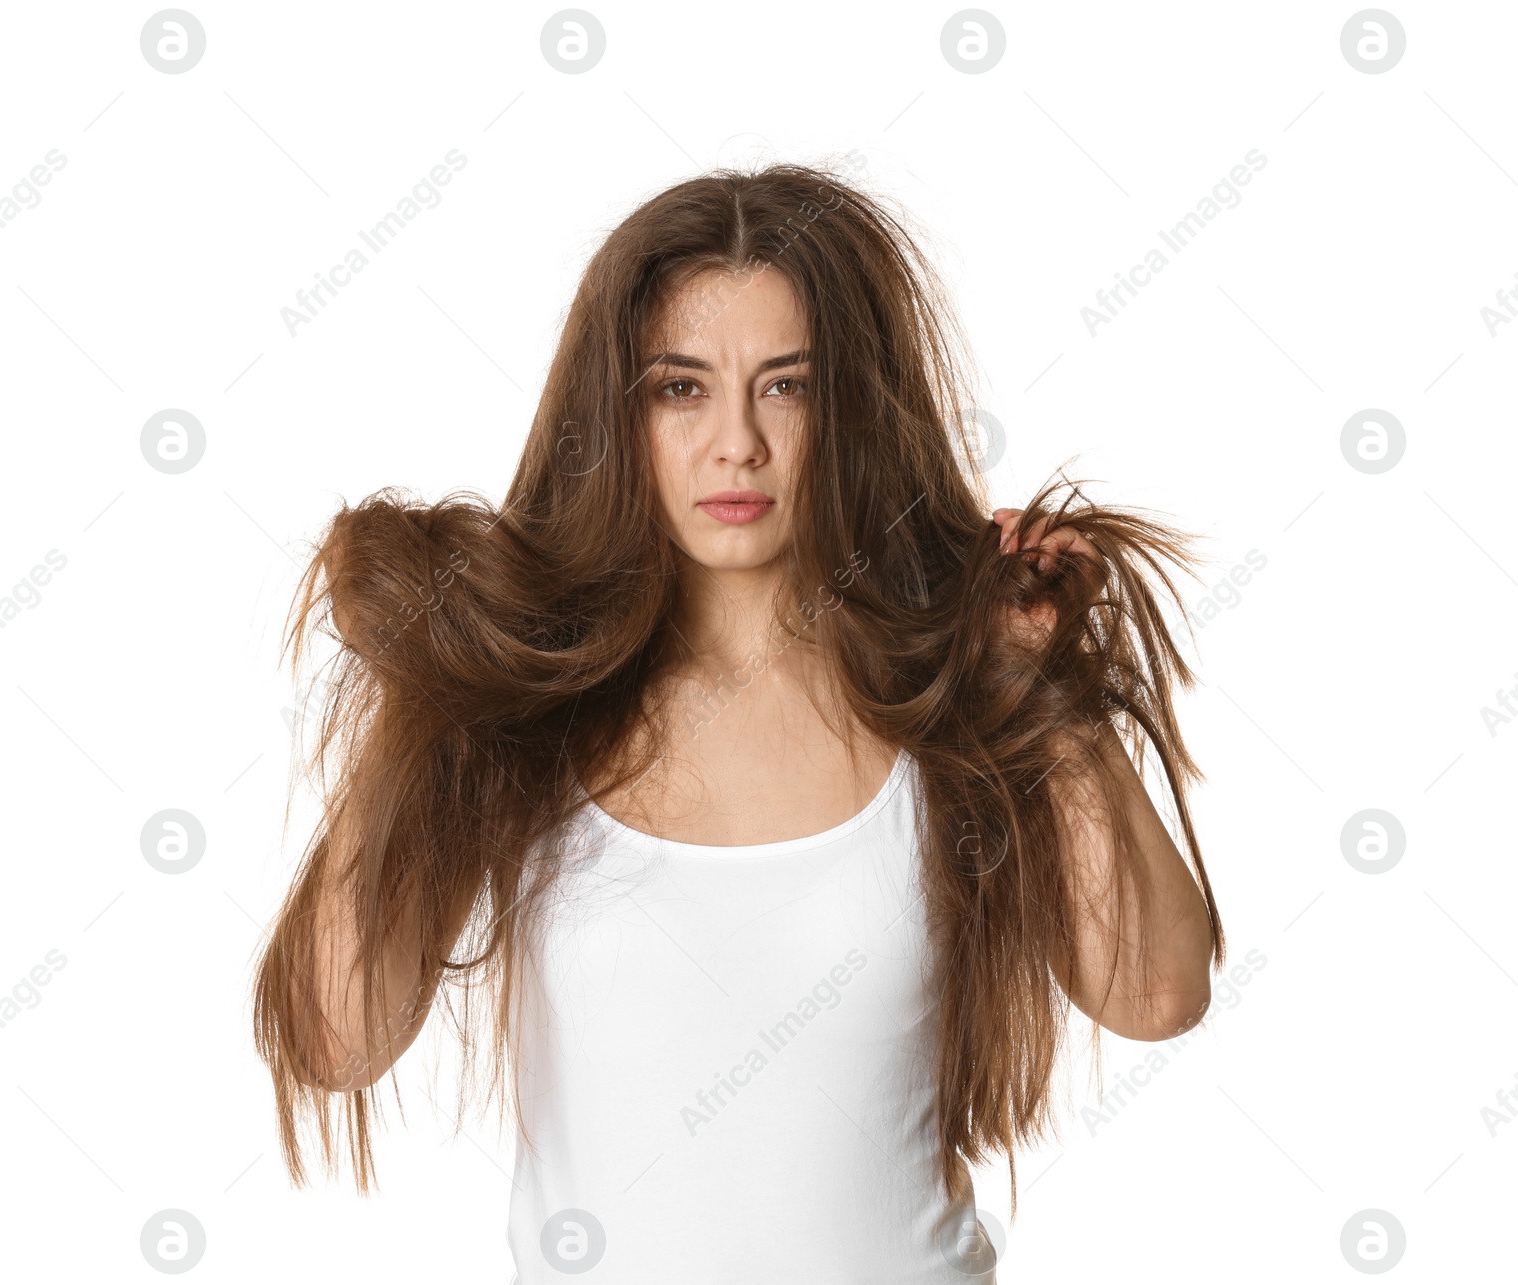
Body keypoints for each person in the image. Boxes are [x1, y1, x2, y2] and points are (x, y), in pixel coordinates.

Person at [251, 161, 1223, 1283]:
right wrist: (422, 684)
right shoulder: (528, 714)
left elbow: (1156, 996)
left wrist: (1039, 685)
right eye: (681, 387)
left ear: (850, 408)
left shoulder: (945, 697)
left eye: (786, 386)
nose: (736, 444)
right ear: (617, 413)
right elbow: (335, 1040)